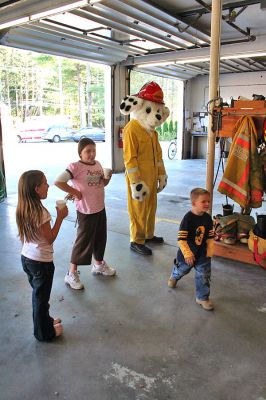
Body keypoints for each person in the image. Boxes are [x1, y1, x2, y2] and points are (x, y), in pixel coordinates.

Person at [54, 138, 116, 290]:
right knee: (83, 242)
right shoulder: (75, 167)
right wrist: (75, 192)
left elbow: (102, 184)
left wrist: (108, 177)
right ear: (80, 153)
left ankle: (99, 265)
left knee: (101, 238)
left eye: (94, 150)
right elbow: (58, 181)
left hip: (100, 208)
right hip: (85, 211)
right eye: (88, 151)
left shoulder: (98, 164)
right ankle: (71, 273)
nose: (92, 154)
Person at [16, 170, 68, 341]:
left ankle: (46, 321)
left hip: (27, 259)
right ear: (37, 189)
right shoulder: (41, 212)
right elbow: (50, 239)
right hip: (41, 263)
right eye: (45, 183)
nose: (48, 186)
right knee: (41, 300)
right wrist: (60, 217)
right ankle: (44, 333)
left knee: (39, 296)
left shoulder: (24, 207)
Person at [168, 188, 215, 311]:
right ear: (194, 203)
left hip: (202, 254)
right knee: (182, 270)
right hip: (186, 255)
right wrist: (188, 254)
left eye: (208, 201)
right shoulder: (187, 219)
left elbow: (210, 236)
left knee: (203, 275)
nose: (207, 204)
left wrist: (210, 251)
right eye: (203, 201)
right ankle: (174, 276)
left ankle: (202, 298)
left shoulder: (208, 218)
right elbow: (181, 240)